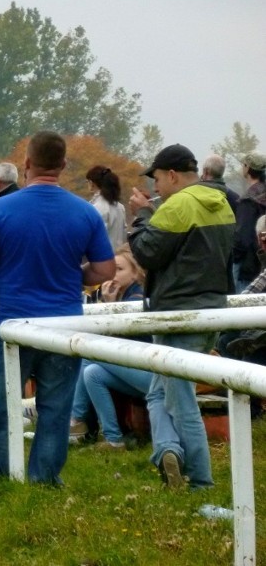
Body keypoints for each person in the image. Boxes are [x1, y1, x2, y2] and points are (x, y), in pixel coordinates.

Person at [0, 131, 115, 509]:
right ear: (63, 166)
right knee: (56, 409)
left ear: (27, 164)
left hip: (14, 324)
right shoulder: (84, 211)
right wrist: (72, 277)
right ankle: (45, 481)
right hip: (64, 326)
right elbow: (106, 269)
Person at [129, 143, 235, 489]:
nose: (155, 188)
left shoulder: (177, 206)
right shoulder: (222, 203)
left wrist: (143, 216)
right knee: (158, 394)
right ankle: (167, 451)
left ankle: (200, 481)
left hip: (177, 315)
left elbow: (147, 253)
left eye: (157, 179)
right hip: (212, 312)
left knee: (181, 402)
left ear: (172, 175)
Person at [69, 246, 153, 449]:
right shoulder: (121, 297)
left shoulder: (136, 300)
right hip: (135, 372)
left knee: (91, 353)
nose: (113, 274)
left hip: (153, 374)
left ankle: (75, 420)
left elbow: (112, 345)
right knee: (93, 373)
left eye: (120, 269)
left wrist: (109, 306)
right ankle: (113, 438)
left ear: (136, 273)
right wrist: (110, 303)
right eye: (111, 269)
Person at [232, 153, 266, 292]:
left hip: (249, 267)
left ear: (247, 168)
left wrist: (234, 259)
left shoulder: (248, 201)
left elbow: (242, 238)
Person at [86, 165, 127, 250]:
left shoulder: (96, 208)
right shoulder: (120, 207)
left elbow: (96, 240)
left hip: (103, 259)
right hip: (120, 257)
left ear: (91, 183)